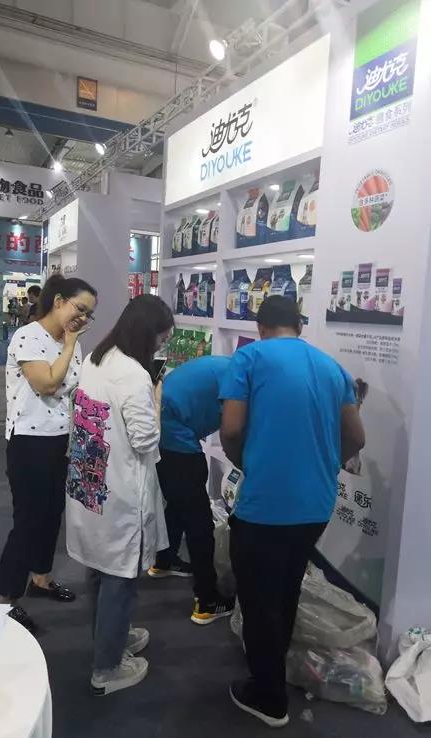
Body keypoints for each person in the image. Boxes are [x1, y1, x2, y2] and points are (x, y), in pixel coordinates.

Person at [220, 296, 366, 728]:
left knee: (259, 597)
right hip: (315, 504)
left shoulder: (249, 358)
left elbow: (231, 427)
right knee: (286, 588)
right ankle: (274, 669)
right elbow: (356, 438)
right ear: (299, 326)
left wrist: (244, 461)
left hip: (266, 502)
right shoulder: (331, 367)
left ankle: (268, 696)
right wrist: (327, 463)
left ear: (260, 327)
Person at [65, 295, 174, 697]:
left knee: (100, 566)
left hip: (92, 485)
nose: (162, 346)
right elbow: (144, 440)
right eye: (161, 338)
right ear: (147, 334)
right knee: (119, 577)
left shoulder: (98, 358)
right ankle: (107, 668)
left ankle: (109, 636)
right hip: (120, 492)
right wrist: (157, 400)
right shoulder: (133, 374)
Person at [0, 273, 98, 634]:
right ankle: (6, 599)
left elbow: (74, 389)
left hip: (61, 441)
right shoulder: (28, 336)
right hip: (28, 442)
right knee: (29, 519)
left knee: (52, 513)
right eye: (79, 309)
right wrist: (70, 343)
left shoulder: (70, 343)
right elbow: (48, 384)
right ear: (59, 301)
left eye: (88, 314)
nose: (83, 318)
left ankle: (41, 577)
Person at [148, 355, 235, 625]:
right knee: (199, 521)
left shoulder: (226, 367)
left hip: (161, 431)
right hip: (175, 437)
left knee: (177, 502)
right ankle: (207, 600)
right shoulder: (239, 379)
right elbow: (233, 430)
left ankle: (164, 560)